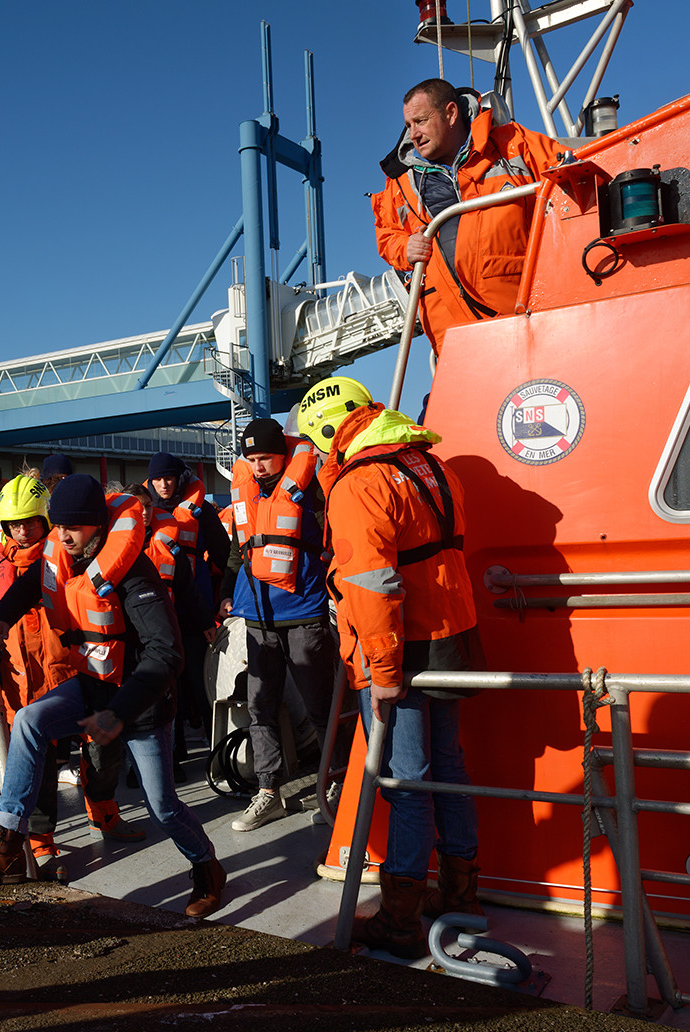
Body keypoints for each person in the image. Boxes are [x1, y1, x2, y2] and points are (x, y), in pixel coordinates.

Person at [0, 476, 226, 917]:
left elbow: (167, 652)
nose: (63, 536)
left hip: (140, 705)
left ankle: (207, 868)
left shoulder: (133, 574)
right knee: (30, 720)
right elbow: (29, 585)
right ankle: (8, 842)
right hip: (90, 686)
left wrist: (119, 712)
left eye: (73, 527)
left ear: (96, 526)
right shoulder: (61, 554)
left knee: (163, 807)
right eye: (60, 526)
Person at [302, 375, 484, 958]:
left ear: (332, 431)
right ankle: (460, 894)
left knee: (408, 785)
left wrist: (382, 674)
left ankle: (401, 922)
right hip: (453, 638)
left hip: (402, 649)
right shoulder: (434, 466)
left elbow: (370, 585)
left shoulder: (361, 483)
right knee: (449, 769)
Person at [371, 77, 565, 353]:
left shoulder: (513, 144)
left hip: (531, 318)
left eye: (421, 121)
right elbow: (386, 234)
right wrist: (405, 247)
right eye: (408, 125)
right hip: (453, 341)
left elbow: (571, 174)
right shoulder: (400, 182)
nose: (413, 134)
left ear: (451, 113)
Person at [222, 419, 336, 832]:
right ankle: (268, 790)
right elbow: (241, 546)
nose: (258, 467)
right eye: (251, 460)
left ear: (283, 454)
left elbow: (336, 538)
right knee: (260, 706)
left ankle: (335, 784)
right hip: (257, 616)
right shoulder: (247, 493)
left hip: (304, 611)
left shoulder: (315, 487)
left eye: (265, 459)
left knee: (321, 706)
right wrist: (225, 589)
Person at [0, 475, 77, 865]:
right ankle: (39, 841)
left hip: (64, 673)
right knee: (34, 765)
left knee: (94, 754)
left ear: (45, 521)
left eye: (29, 522)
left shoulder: (67, 555)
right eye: (14, 524)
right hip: (15, 679)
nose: (22, 531)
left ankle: (104, 817)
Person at [146, 452, 229, 751]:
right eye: (157, 479)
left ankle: (217, 750)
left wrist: (227, 595)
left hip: (196, 610)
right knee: (168, 686)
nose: (163, 485)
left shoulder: (202, 511)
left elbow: (224, 554)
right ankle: (174, 753)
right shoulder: (145, 513)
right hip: (158, 612)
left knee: (201, 681)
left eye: (169, 477)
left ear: (180, 478)